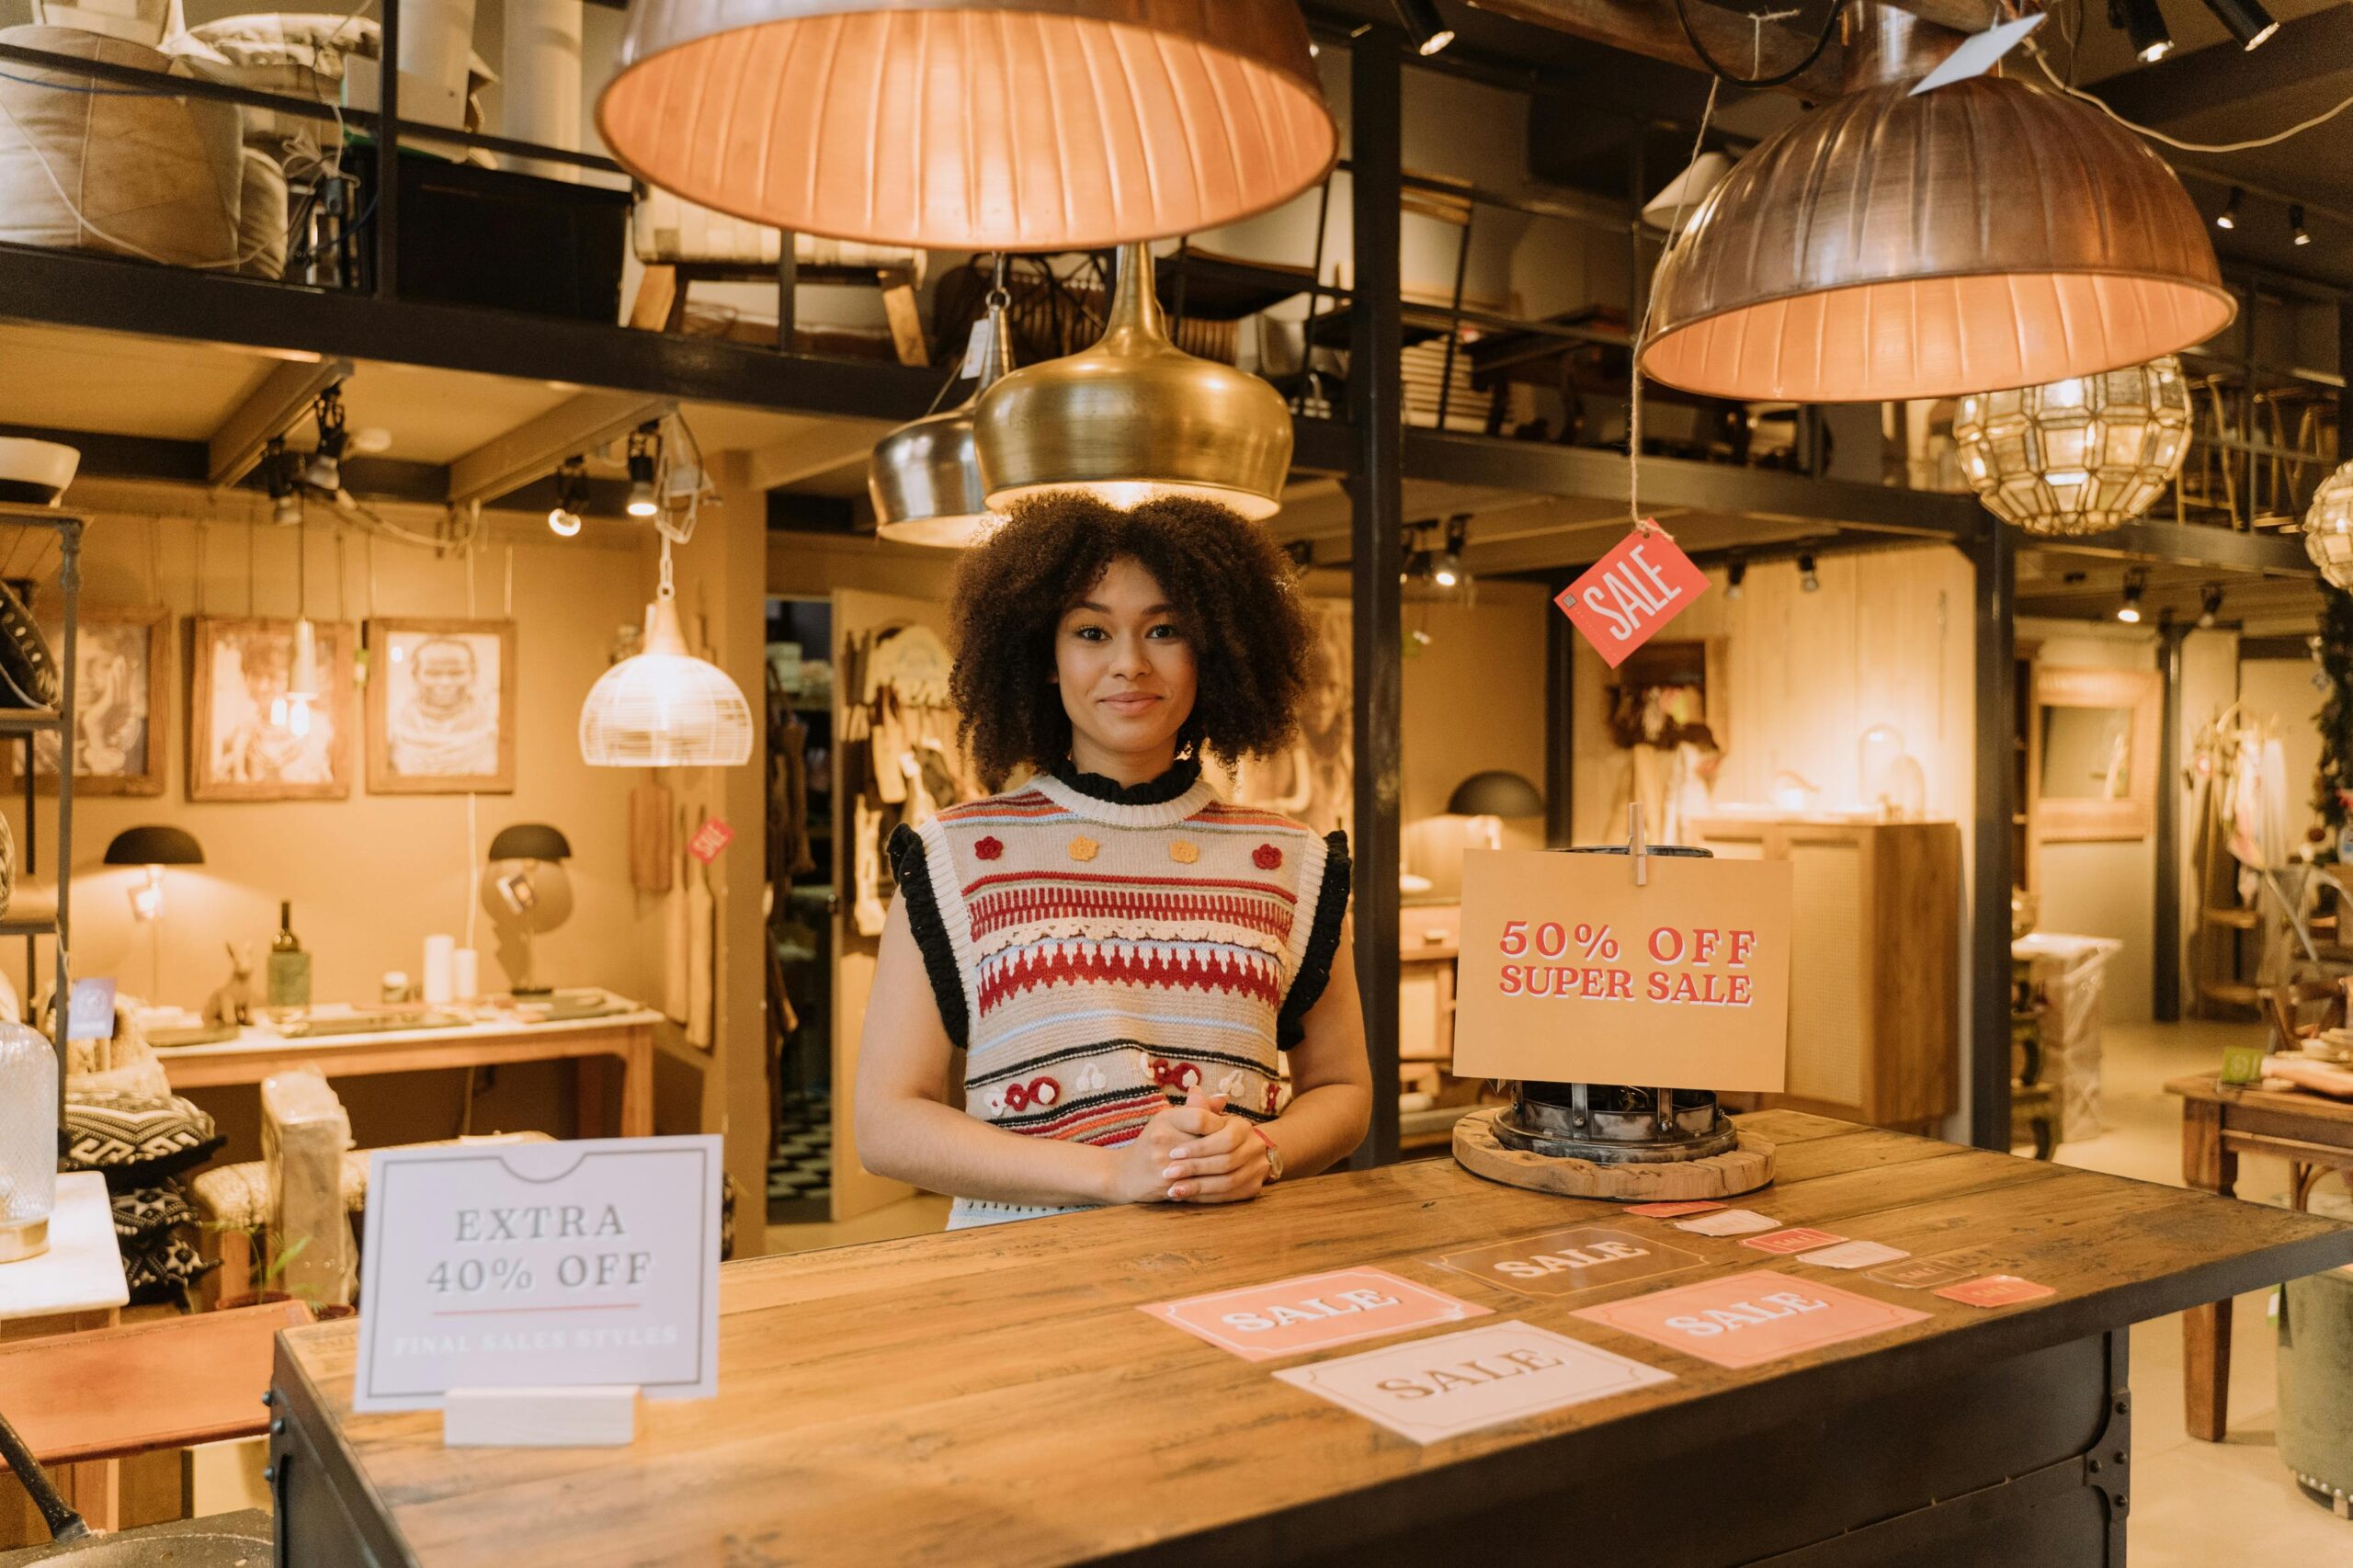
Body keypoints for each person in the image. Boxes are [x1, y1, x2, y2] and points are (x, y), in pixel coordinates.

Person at [857, 494, 1371, 1229]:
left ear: (1214, 650)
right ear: (1044, 655)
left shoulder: (1291, 862)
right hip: (1022, 1285)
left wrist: (1266, 1149)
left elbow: (1345, 1090)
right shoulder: (956, 855)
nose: (1130, 664)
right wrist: (1112, 1173)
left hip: (1237, 1274)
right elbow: (886, 1125)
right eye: (1091, 631)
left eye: (1165, 629)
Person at [389, 635, 497, 777]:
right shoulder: (396, 725)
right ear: (415, 675)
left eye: (457, 673)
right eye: (433, 673)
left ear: (473, 674)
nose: (445, 682)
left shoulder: (490, 725)